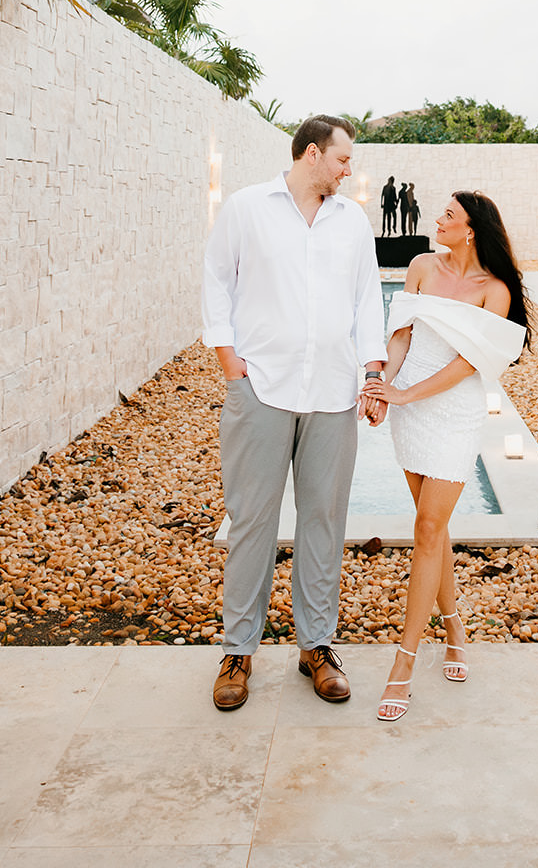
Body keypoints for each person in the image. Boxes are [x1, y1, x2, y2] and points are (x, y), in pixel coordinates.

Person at [203, 115, 386, 711]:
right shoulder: (247, 208)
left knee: (324, 524)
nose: (348, 169)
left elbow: (366, 300)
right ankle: (238, 652)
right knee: (252, 520)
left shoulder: (352, 221)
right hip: (261, 389)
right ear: (313, 155)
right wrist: (232, 363)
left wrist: (373, 372)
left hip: (334, 394)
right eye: (342, 159)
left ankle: (316, 646)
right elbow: (216, 282)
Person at [361, 190, 528, 721]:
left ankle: (404, 663)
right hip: (409, 409)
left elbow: (467, 365)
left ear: (472, 228)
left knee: (428, 530)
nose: (437, 220)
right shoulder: (419, 266)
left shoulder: (493, 290)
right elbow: (402, 335)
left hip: (452, 413)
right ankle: (454, 625)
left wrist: (409, 394)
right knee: (432, 529)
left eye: (448, 215)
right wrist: (384, 384)